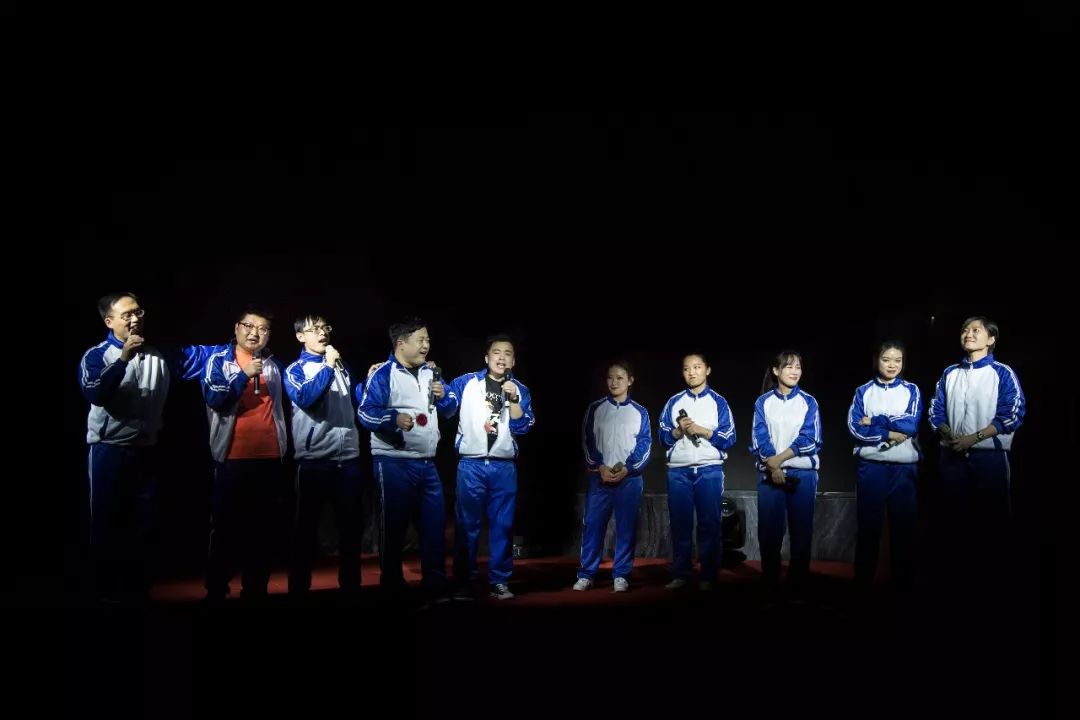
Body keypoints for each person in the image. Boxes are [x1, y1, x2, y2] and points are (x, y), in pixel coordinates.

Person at [78, 292, 213, 604]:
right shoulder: (97, 356)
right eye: (126, 315)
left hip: (148, 449)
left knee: (145, 523)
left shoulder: (159, 353)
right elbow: (96, 393)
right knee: (108, 522)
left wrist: (242, 341)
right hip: (109, 450)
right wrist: (122, 360)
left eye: (138, 312)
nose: (135, 319)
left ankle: (138, 590)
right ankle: (104, 593)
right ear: (109, 321)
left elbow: (203, 356)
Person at [357, 318, 458, 594]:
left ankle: (435, 582)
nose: (426, 345)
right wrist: (393, 418)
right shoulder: (383, 373)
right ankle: (392, 585)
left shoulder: (431, 373)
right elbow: (365, 413)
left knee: (434, 525)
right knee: (394, 527)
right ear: (401, 343)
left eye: (428, 340)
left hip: (427, 462)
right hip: (392, 462)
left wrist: (444, 396)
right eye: (420, 340)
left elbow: (450, 409)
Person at [928, 316, 1025, 588]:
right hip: (952, 457)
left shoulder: (1002, 372)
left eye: (975, 330)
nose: (968, 334)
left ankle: (994, 584)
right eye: (964, 330)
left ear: (991, 339)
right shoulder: (950, 373)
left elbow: (1012, 414)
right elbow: (935, 412)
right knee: (953, 522)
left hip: (989, 458)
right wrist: (950, 436)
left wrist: (973, 438)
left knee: (993, 524)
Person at [201, 307, 288, 603]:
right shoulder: (218, 360)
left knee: (263, 529)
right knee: (225, 527)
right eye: (249, 326)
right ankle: (216, 588)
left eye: (262, 329)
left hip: (269, 457)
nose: (255, 333)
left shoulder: (273, 365)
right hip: (232, 458)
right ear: (236, 328)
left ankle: (256, 588)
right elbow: (215, 398)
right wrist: (243, 374)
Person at [447, 333, 535, 600]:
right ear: (486, 358)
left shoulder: (519, 389)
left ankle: (499, 580)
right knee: (467, 526)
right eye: (496, 352)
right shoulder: (466, 382)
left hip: (503, 466)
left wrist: (514, 400)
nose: (501, 358)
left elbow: (524, 426)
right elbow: (446, 406)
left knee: (502, 526)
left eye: (507, 354)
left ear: (514, 361)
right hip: (471, 465)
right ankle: (465, 580)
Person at [284, 313, 365, 598]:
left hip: (348, 460)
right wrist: (328, 366)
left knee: (350, 528)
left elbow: (357, 400)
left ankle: (351, 587)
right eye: (314, 329)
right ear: (300, 336)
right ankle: (298, 589)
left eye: (325, 327)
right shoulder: (295, 370)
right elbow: (306, 398)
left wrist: (368, 380)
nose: (322, 333)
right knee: (306, 529)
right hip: (314, 461)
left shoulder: (342, 366)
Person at [658, 353, 736, 591]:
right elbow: (662, 436)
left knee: (709, 525)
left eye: (696, 367)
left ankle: (708, 576)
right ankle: (680, 574)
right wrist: (677, 432)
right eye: (686, 368)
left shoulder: (718, 402)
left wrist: (704, 431)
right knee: (680, 524)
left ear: (707, 370)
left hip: (709, 469)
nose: (691, 372)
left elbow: (730, 437)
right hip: (678, 471)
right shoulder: (673, 402)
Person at [847, 341, 922, 591]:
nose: (892, 365)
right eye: (886, 359)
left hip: (904, 469)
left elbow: (910, 424)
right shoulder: (863, 391)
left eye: (897, 360)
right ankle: (862, 584)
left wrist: (875, 421)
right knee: (868, 528)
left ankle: (902, 585)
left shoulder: (911, 390)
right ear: (877, 360)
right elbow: (855, 428)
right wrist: (888, 432)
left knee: (904, 529)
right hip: (871, 467)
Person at [574, 360, 651, 593]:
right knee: (593, 527)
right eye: (610, 377)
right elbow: (587, 440)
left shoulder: (640, 412)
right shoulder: (595, 408)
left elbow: (645, 444)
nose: (614, 382)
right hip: (600, 478)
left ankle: (621, 575)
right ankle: (587, 574)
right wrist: (599, 467)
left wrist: (628, 468)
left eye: (620, 378)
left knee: (626, 528)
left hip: (629, 480)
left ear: (630, 381)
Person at [750, 350, 822, 597]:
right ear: (776, 370)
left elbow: (810, 439)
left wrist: (778, 461)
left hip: (803, 475)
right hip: (770, 476)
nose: (794, 371)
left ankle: (798, 583)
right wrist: (774, 468)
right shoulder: (763, 402)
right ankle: (770, 581)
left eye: (798, 367)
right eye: (789, 366)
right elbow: (759, 438)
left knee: (801, 532)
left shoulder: (809, 402)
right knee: (769, 533)